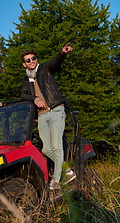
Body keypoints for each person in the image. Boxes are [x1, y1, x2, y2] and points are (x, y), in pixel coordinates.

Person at [20, 42, 76, 190]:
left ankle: (57, 180)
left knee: (57, 147)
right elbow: (23, 95)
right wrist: (35, 99)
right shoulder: (26, 80)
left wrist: (62, 53)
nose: (32, 61)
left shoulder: (45, 69)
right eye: (28, 60)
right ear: (24, 64)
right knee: (46, 149)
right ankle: (67, 171)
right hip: (42, 115)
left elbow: (55, 63)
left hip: (56, 110)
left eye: (33, 58)